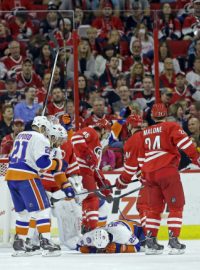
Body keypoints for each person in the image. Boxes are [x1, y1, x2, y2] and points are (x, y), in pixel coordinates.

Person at [4, 116, 75, 256]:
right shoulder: (42, 140)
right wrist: (57, 164)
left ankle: (20, 243)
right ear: (48, 132)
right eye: (59, 139)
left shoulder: (21, 135)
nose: (60, 143)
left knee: (23, 213)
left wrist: (65, 185)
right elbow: (43, 164)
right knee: (43, 209)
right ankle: (46, 243)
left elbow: (12, 157)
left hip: (11, 177)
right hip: (27, 177)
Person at [139, 103, 200, 255]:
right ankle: (173, 240)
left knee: (154, 209)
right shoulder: (170, 127)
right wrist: (197, 159)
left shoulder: (145, 132)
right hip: (167, 172)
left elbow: (140, 156)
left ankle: (151, 242)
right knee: (176, 206)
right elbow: (186, 144)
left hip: (149, 175)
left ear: (152, 116)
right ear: (165, 115)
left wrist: (143, 174)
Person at [71, 119, 113, 232]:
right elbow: (75, 138)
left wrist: (105, 188)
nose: (106, 135)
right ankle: (92, 228)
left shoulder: (97, 144)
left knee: (89, 199)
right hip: (80, 170)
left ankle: (86, 226)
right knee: (92, 199)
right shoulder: (92, 132)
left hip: (85, 173)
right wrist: (89, 155)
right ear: (103, 129)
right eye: (107, 132)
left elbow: (95, 170)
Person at [114, 114, 147, 239]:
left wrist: (122, 181)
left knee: (143, 206)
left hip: (150, 182)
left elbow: (130, 169)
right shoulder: (151, 136)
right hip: (166, 177)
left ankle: (149, 239)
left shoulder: (131, 141)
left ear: (128, 126)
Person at [77, 219, 144, 254]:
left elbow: (137, 246)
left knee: (145, 242)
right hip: (115, 225)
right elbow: (78, 245)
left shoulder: (123, 234)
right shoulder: (90, 236)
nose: (104, 251)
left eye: (104, 248)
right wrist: (85, 249)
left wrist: (121, 248)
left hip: (135, 228)